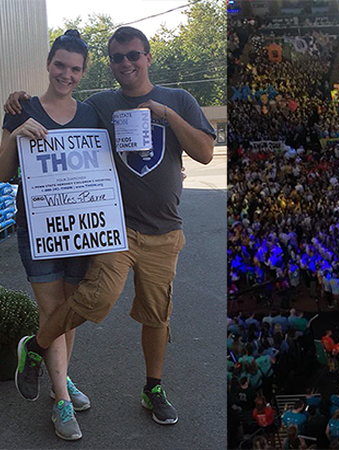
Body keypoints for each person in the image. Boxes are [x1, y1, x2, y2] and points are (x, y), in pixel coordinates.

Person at [10, 26, 215, 426]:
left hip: (165, 231)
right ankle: (38, 347)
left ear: (148, 57)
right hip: (115, 228)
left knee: (157, 316)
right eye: (117, 57)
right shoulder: (101, 104)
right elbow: (63, 115)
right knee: (95, 299)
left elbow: (206, 153)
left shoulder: (179, 99)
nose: (126, 63)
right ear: (109, 63)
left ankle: (152, 387)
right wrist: (18, 104)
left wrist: (167, 115)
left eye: (133, 55)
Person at [0, 29, 96, 441]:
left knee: (70, 311)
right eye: (60, 65)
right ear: (48, 63)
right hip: (36, 228)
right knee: (53, 308)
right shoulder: (21, 109)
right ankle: (60, 399)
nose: (66, 74)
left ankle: (60, 373)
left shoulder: (92, 113)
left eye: (75, 68)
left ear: (83, 71)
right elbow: (2, 175)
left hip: (82, 230)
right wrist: (16, 136)